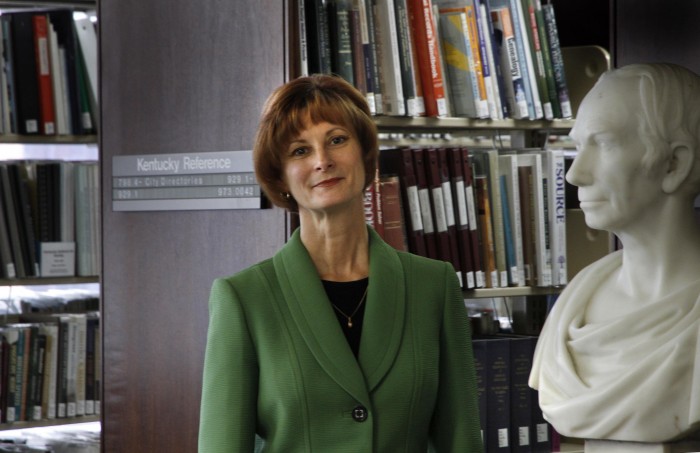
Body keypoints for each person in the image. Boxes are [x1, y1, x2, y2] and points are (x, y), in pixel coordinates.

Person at [198, 74, 483, 452]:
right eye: (300, 150)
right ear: (280, 176)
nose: (322, 161)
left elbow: (461, 440)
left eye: (336, 140)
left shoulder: (433, 285)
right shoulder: (244, 298)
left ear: (365, 155)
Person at [529, 63, 700, 445]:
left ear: (675, 163)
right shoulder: (579, 296)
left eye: (602, 143)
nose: (575, 174)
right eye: (576, 146)